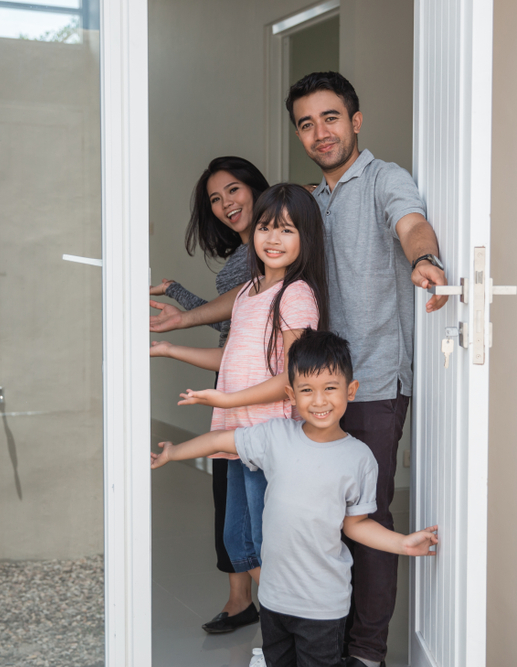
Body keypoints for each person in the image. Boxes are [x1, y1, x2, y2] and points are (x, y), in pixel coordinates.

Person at [150, 72, 449, 667]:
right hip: (305, 390)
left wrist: (426, 258)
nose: (320, 132)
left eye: (331, 118)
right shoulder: (308, 203)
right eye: (307, 123)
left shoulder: (385, 180)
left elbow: (410, 223)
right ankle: (322, 645)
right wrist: (178, 322)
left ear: (355, 120)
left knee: (363, 519)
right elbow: (252, 293)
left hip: (369, 382)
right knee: (311, 521)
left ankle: (363, 654)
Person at [150, 329, 439, 667]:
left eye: (330, 388)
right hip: (273, 599)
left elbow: (357, 525)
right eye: (307, 390)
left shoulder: (359, 459)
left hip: (323, 606)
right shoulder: (275, 437)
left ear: (351, 390)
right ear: (291, 395)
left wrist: (403, 544)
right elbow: (220, 441)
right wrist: (174, 451)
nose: (319, 401)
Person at [150, 182, 329, 611]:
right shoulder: (249, 292)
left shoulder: (297, 295)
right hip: (238, 436)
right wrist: (172, 349)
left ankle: (288, 632)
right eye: (266, 227)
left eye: (287, 230)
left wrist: (228, 401)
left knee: (266, 544)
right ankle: (280, 628)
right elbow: (229, 357)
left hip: (268, 437)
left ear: (306, 239)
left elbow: (293, 376)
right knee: (239, 541)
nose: (272, 238)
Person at [149, 156, 268, 633]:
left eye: (233, 191)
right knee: (230, 497)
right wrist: (177, 294)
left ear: (256, 188)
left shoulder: (265, 249)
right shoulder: (244, 251)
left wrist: (177, 313)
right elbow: (227, 318)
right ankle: (243, 599)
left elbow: (230, 318)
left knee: (246, 499)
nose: (225, 205)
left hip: (251, 386)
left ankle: (273, 608)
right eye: (216, 200)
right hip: (231, 380)